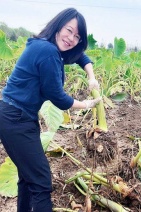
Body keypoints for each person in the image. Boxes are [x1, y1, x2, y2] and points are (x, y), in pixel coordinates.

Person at [0, 8, 101, 212]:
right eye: (69, 30)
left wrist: (91, 76)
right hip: (15, 118)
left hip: (17, 116)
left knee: (28, 177)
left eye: (77, 36)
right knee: (41, 180)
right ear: (58, 26)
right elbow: (56, 96)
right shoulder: (48, 52)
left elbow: (81, 56)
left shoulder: (46, 46)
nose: (71, 38)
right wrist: (87, 104)